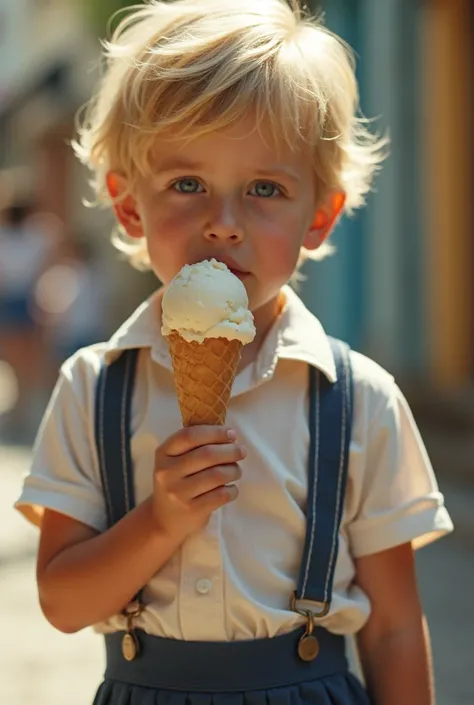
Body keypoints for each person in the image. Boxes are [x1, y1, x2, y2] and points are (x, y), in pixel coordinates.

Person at [15, 1, 453, 704]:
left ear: (318, 215)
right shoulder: (92, 386)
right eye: (187, 185)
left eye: (264, 189)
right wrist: (159, 520)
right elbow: (63, 603)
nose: (223, 224)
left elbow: (396, 627)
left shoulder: (359, 396)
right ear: (130, 208)